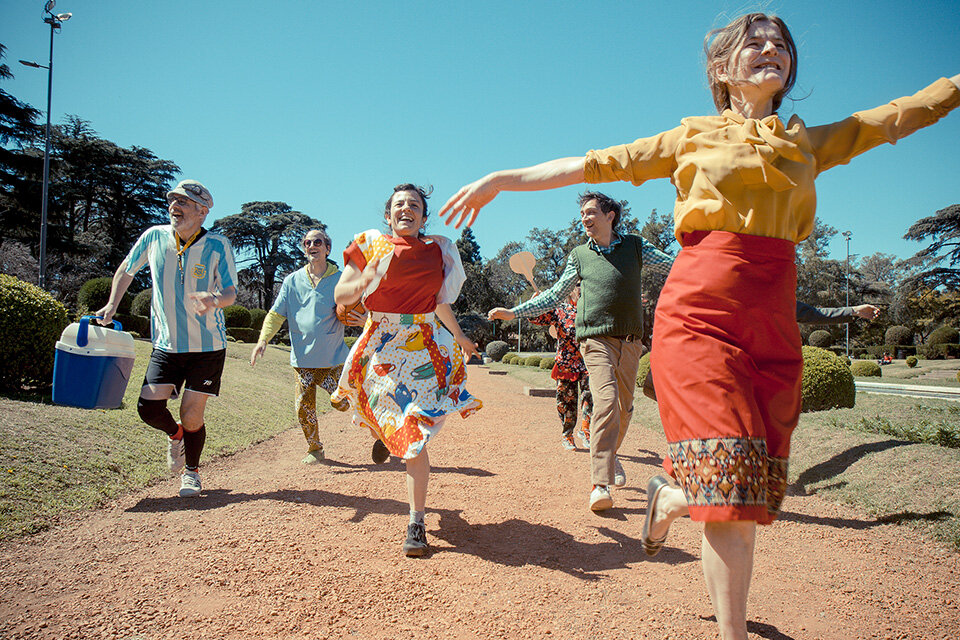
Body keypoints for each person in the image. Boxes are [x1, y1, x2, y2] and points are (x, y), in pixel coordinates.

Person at [440, 12, 959, 638]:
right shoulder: (690, 138)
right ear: (722, 68)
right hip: (701, 317)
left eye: (781, 45)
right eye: (755, 44)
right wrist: (502, 179)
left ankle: (672, 496)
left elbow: (898, 115)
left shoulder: (808, 143)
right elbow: (593, 165)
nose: (771, 50)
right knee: (732, 496)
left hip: (771, 319)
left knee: (753, 491)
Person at [487, 192, 673, 512]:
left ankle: (610, 455)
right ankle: (599, 484)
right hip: (594, 340)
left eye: (590, 212)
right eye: (582, 214)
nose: (584, 218)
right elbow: (555, 295)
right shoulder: (579, 255)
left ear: (610, 215)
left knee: (624, 409)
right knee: (604, 402)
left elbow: (675, 264)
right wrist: (514, 312)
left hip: (630, 341)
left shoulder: (635, 247)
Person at [331, 184, 482, 557]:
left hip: (423, 345)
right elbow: (342, 295)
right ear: (388, 214)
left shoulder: (439, 250)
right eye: (399, 205)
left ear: (424, 216)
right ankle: (393, 449)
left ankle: (416, 519)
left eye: (414, 205)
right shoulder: (369, 244)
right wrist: (365, 282)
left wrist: (460, 335)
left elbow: (439, 302)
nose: (406, 210)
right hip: (380, 345)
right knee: (403, 426)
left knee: (414, 428)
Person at [95, 179, 237, 498]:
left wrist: (214, 299)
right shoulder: (154, 237)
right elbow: (127, 270)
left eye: (183, 202)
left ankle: (192, 473)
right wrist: (112, 305)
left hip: (208, 347)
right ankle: (176, 437)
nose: (175, 206)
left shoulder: (217, 245)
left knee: (191, 413)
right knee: (148, 408)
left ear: (202, 211)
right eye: (172, 200)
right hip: (167, 345)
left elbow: (231, 292)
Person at [250, 228, 365, 464]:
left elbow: (364, 304)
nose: (312, 246)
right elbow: (275, 314)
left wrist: (365, 321)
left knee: (343, 402)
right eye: (307, 243)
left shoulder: (341, 279)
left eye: (318, 242)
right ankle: (314, 449)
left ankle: (379, 430)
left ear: (327, 248)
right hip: (301, 362)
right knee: (304, 408)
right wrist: (263, 340)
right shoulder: (292, 281)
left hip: (333, 361)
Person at [529, 285, 593, 451]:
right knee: (566, 402)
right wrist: (536, 301)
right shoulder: (560, 310)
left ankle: (586, 430)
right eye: (578, 285)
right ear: (570, 289)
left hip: (590, 361)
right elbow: (535, 318)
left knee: (592, 395)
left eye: (583, 284)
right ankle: (567, 435)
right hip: (566, 363)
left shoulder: (594, 309)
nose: (581, 288)